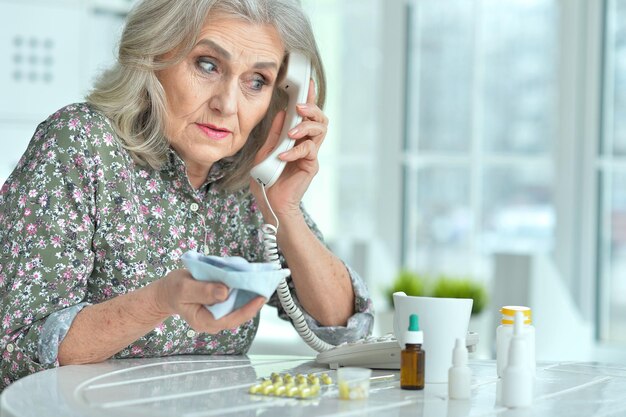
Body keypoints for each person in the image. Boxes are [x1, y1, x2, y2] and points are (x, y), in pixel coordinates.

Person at [0, 0, 374, 391]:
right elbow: (18, 353)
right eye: (208, 65)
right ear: (154, 55)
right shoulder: (80, 143)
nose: (226, 104)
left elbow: (348, 334)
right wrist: (161, 299)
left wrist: (285, 210)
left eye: (257, 81)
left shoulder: (246, 180)